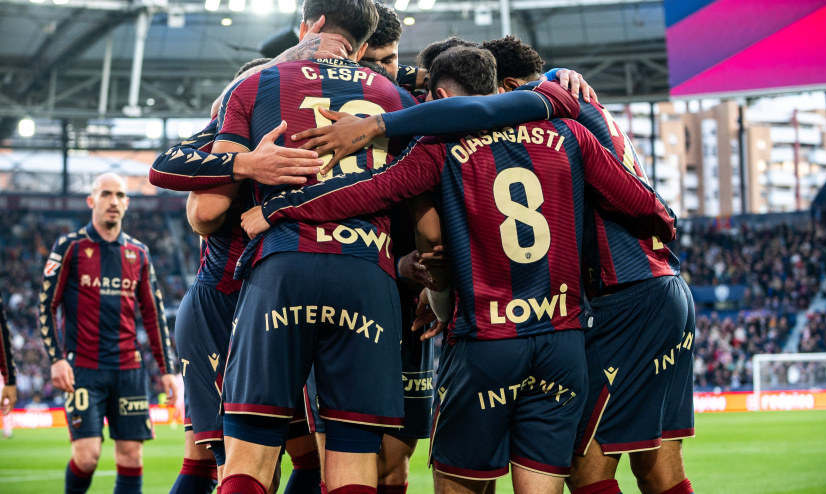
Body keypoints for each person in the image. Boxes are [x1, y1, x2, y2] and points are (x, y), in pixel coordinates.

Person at [241, 46, 676, 494]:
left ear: (442, 96)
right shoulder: (570, 133)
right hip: (561, 342)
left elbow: (366, 192)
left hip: (486, 341)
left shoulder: (438, 148)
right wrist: (666, 221)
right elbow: (645, 204)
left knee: (460, 484)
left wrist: (281, 209)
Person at [190, 1, 421, 492]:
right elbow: (430, 225)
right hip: (367, 275)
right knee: (354, 460)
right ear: (365, 45)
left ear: (306, 26)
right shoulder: (397, 98)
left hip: (282, 269)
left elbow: (206, 215)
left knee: (250, 458)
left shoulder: (252, 86)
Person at [481, 36, 695, 494]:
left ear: (513, 86)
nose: (487, 114)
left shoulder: (558, 110)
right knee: (657, 467)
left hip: (624, 299)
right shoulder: (574, 98)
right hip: (661, 288)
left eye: (488, 96)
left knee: (582, 468)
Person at [152, 54, 333, 494]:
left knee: (308, 457)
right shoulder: (223, 142)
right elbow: (200, 212)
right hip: (222, 306)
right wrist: (244, 163)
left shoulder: (292, 138)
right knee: (240, 464)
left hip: (274, 306)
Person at [39, 172, 178, 494]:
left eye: (119, 195)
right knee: (87, 457)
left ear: (127, 203)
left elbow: (153, 314)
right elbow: (45, 306)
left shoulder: (139, 253)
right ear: (92, 201)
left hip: (129, 370)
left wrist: (167, 370)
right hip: (83, 369)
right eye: (105, 194)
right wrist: (57, 359)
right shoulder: (70, 247)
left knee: (131, 456)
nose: (113, 201)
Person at [0, 259, 17, 439]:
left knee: (5, 414)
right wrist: (9, 377)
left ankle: (7, 431)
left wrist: (9, 379)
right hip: (5, 385)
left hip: (3, 390)